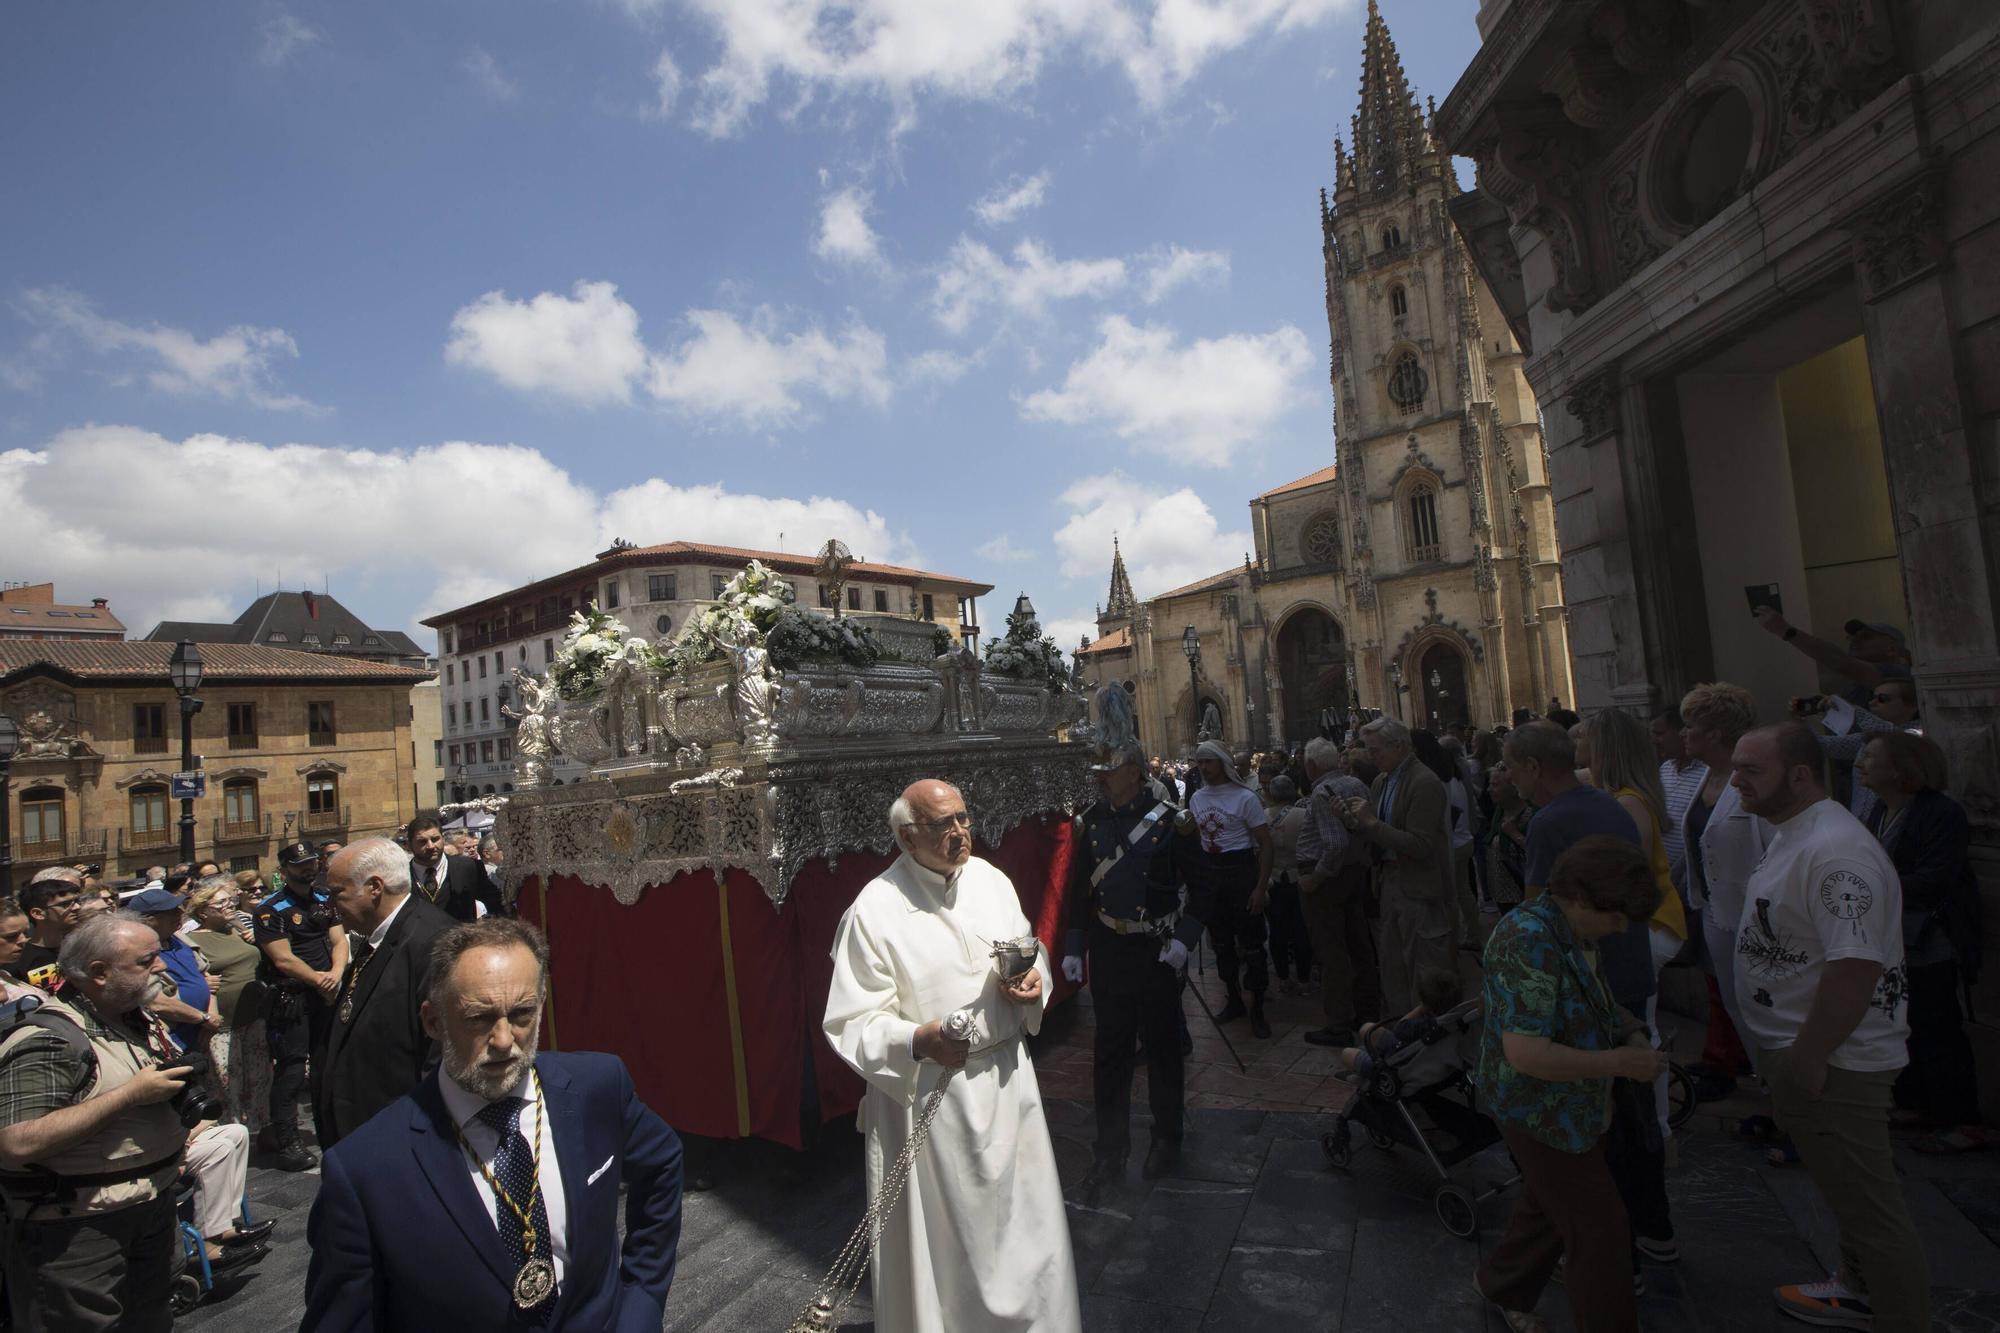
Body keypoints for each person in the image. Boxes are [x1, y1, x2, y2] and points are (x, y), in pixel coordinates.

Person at [303, 918, 684, 1330]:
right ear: (433, 1022)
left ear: (541, 1006)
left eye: (521, 1014)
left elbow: (662, 1164)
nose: (504, 1040)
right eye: (478, 1019)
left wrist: (641, 1303)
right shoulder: (363, 1170)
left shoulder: (600, 1087)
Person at [824, 780, 1080, 1333]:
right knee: (950, 1250)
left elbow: (1028, 952)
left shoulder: (992, 881)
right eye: (943, 824)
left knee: (1026, 1231)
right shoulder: (873, 910)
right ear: (905, 835)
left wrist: (1035, 984)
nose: (960, 833)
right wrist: (920, 1040)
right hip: (932, 1100)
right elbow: (851, 1021)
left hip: (1010, 1085)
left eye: (964, 818)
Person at [1729, 722, 1928, 1331]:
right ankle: (1857, 1288)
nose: (1737, 780)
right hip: (1806, 1052)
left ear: (1800, 775)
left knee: (1872, 1210)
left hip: (1837, 1061)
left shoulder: (1836, 850)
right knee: (1849, 1194)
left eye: (1751, 770)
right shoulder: (1794, 831)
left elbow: (1855, 965)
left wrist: (1808, 1057)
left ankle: (1900, 1316)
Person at [0, 913, 240, 1331]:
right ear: (98, 973)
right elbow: (16, 1143)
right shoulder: (50, 1039)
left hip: (151, 1204)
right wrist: (130, 1096)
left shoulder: (137, 1019)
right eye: (146, 961)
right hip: (79, 1227)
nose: (162, 966)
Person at [1474, 837, 1668, 1333]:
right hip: (1537, 1108)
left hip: (1568, 1106)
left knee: (1548, 1206)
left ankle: (1502, 1285)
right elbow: (1526, 1054)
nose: (1621, 929)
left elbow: (1596, 999)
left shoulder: (1570, 929)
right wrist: (1620, 1062)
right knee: (1600, 1233)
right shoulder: (1528, 939)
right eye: (1616, 917)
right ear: (1582, 898)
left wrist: (1630, 1030)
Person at [1062, 742, 1208, 1191]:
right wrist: (1074, 946)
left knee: (1163, 1049)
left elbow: (1204, 889)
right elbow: (1077, 894)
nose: (1100, 777)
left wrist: (1184, 941)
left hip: (1157, 949)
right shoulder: (1091, 823)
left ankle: (1166, 1138)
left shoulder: (1173, 824)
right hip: (1109, 948)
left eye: (1110, 770)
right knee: (1111, 1052)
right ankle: (1110, 1149)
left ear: (1135, 773)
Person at [1858, 731, 1986, 1154]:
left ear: (1899, 768)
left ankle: (1961, 1119)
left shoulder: (1939, 812)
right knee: (1903, 1022)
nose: (1861, 763)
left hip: (1929, 937)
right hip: (1892, 935)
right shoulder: (1880, 808)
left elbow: (1935, 878)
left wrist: (1872, 885)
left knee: (1937, 1025)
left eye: (1871, 756)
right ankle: (1917, 1102)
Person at [316, 838, 455, 1149]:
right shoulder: (375, 936)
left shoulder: (433, 942)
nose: (331, 908)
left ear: (374, 887)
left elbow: (441, 1058)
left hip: (398, 1139)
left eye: (338, 894)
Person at [1679, 683, 1770, 1096]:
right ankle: (1773, 1093)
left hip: (1757, 918)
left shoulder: (1751, 780)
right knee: (1737, 1007)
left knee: (1766, 1011)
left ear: (1714, 733)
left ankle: (1791, 1107)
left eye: (1690, 726)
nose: (1684, 734)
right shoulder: (1708, 777)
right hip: (1715, 911)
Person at [1341, 718, 1461, 1015]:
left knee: (1423, 968)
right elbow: (1380, 831)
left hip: (1417, 887)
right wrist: (1354, 823)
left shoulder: (1425, 782)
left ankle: (1428, 1039)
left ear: (1400, 746)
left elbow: (1421, 846)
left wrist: (1371, 822)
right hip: (1389, 883)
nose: (1372, 757)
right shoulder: (1383, 780)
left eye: (1376, 750)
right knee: (1393, 966)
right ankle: (1400, 1032)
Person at [254, 840, 349, 1171]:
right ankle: (288, 1140)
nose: (308, 869)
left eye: (312, 862)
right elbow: (282, 958)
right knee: (292, 1070)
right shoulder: (271, 909)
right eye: (300, 865)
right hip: (293, 995)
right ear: (284, 870)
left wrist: (336, 974)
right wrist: (318, 979)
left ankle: (330, 1124)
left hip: (327, 990)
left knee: (328, 1060)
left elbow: (338, 940)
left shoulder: (325, 898)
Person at [1190, 741, 1276, 1038]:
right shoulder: (1197, 798)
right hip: (1212, 876)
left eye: (1208, 762)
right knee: (1221, 943)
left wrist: (1260, 886)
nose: (1202, 767)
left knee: (1252, 945)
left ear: (1222, 763)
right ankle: (1234, 999)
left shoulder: (1245, 798)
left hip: (1241, 873)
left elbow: (1265, 843)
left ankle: (1259, 1008)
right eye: (1199, 762)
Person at [1296, 736, 1378, 1046]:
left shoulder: (1320, 793)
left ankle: (1339, 1023)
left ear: (1312, 765)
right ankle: (1367, 1012)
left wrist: (1315, 878)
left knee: (1331, 951)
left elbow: (1335, 844)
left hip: (1328, 881)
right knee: (1359, 945)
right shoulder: (1357, 785)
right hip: (1355, 875)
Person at [184, 875, 271, 1139]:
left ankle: (259, 1130)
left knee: (259, 1078)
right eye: (221, 902)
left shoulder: (240, 928)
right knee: (226, 1084)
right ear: (203, 911)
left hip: (254, 1017)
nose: (230, 905)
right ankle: (231, 1135)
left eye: (230, 900)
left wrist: (258, 940)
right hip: (224, 1025)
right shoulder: (191, 940)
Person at [1754, 609, 1914, 708]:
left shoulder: (1898, 676)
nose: (1855, 640)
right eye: (1852, 637)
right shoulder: (1856, 682)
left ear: (1891, 649)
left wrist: (1786, 631)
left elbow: (1839, 661)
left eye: (1866, 637)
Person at [1336, 966, 1461, 1075]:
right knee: (1367, 1028)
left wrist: (1422, 1007)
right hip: (1407, 1049)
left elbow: (1400, 1027)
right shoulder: (1449, 1020)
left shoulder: (1422, 1026)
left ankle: (1368, 1069)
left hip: (1398, 1064)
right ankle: (1366, 1057)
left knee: (1346, 1054)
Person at [1264, 776, 1314, 995]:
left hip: (1273, 880)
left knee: (1277, 932)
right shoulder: (1304, 815)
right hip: (1298, 878)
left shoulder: (1263, 817)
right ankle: (1304, 978)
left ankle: (1283, 977)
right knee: (1301, 930)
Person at [1651, 704, 1708, 896]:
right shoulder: (1665, 769)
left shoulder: (1706, 773)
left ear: (1681, 732)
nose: (1656, 741)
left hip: (1693, 880)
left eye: (1660, 733)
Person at [407, 814, 502, 922]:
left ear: (442, 839)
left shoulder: (468, 867)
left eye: (435, 839)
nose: (431, 846)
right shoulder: (402, 874)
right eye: (422, 841)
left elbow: (495, 903)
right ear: (409, 845)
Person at [7, 870, 87, 989]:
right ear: (38, 913)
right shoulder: (17, 961)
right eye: (65, 904)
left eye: (77, 901)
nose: (77, 907)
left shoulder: (83, 946)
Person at [1484, 760, 1533, 909]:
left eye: (1495, 785)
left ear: (1513, 788)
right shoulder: (1500, 811)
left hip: (1521, 894)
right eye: (1490, 784)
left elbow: (1538, 853)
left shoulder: (1530, 815)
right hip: (1502, 893)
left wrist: (1514, 834)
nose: (1489, 789)